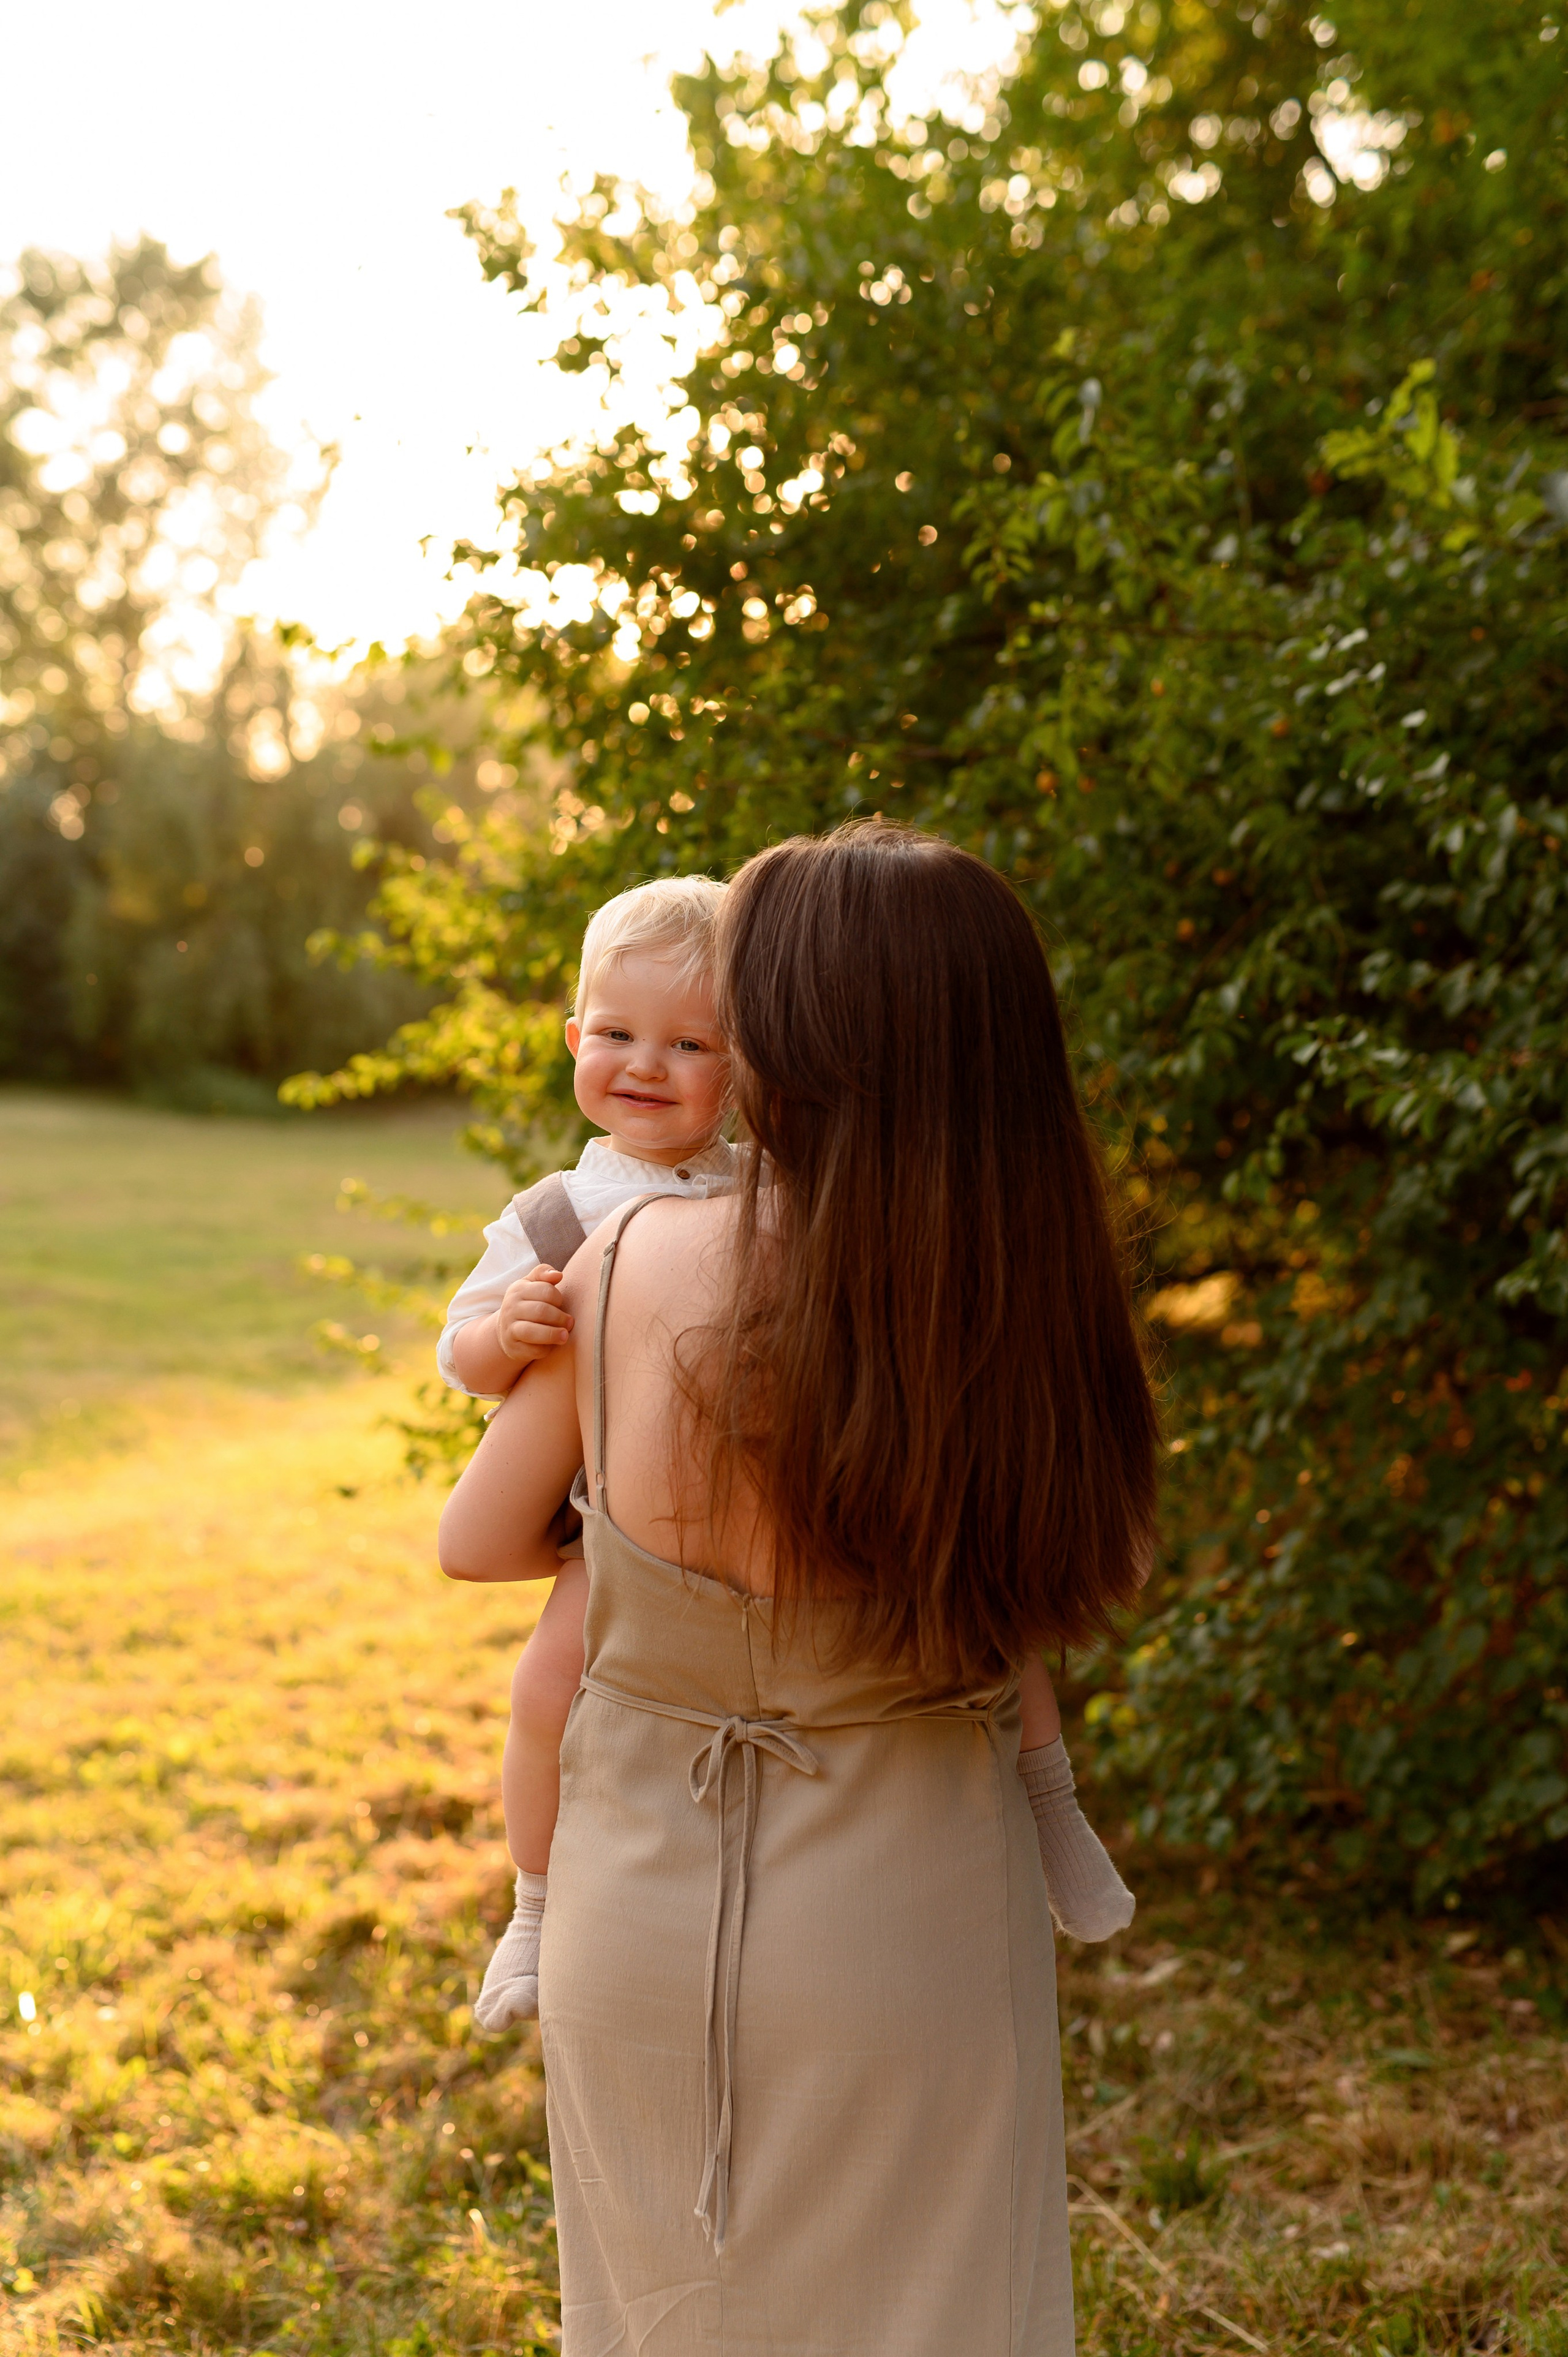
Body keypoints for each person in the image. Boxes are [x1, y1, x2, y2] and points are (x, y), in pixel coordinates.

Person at [439, 821, 1159, 2355]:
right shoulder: (1016, 1284)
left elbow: (479, 1544)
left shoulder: (628, 1258)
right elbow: (1069, 1563)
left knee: (666, 2316)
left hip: (645, 1893)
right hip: (922, 1904)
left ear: (802, 1043)